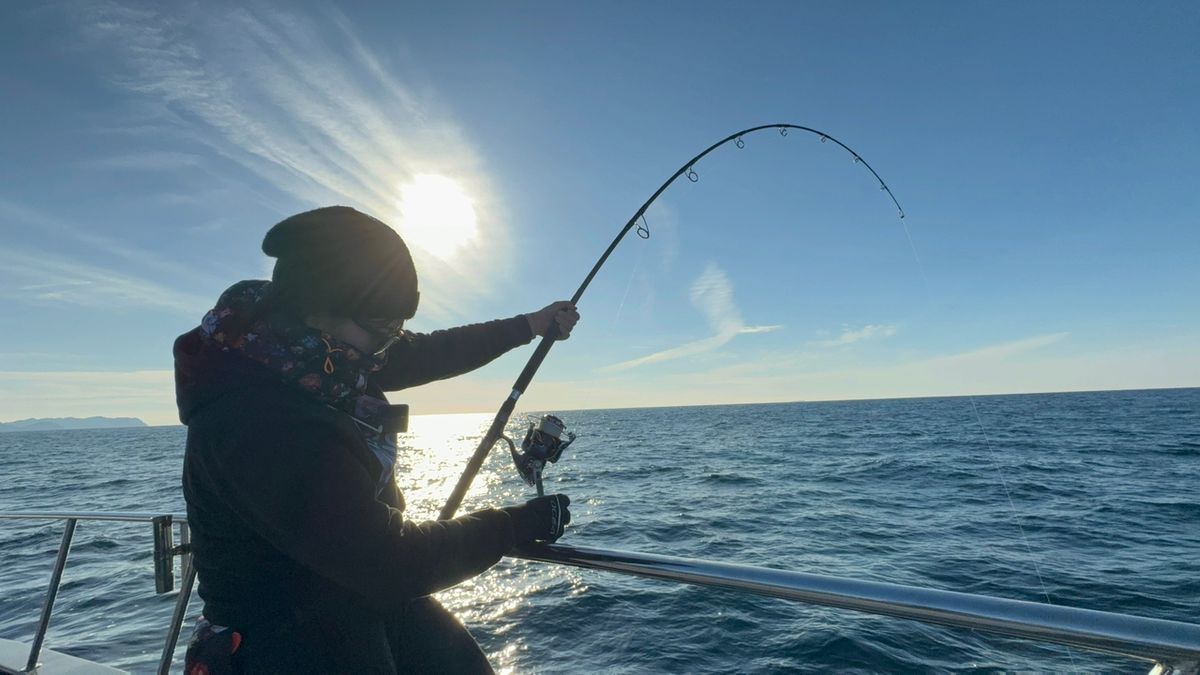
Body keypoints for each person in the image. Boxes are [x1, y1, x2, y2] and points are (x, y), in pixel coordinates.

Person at [174, 206, 579, 673]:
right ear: (317, 307)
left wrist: (529, 325)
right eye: (385, 327)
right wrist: (512, 524)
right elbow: (390, 560)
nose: (393, 343)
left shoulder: (322, 357)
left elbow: (430, 351)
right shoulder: (261, 420)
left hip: (354, 597)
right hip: (280, 637)